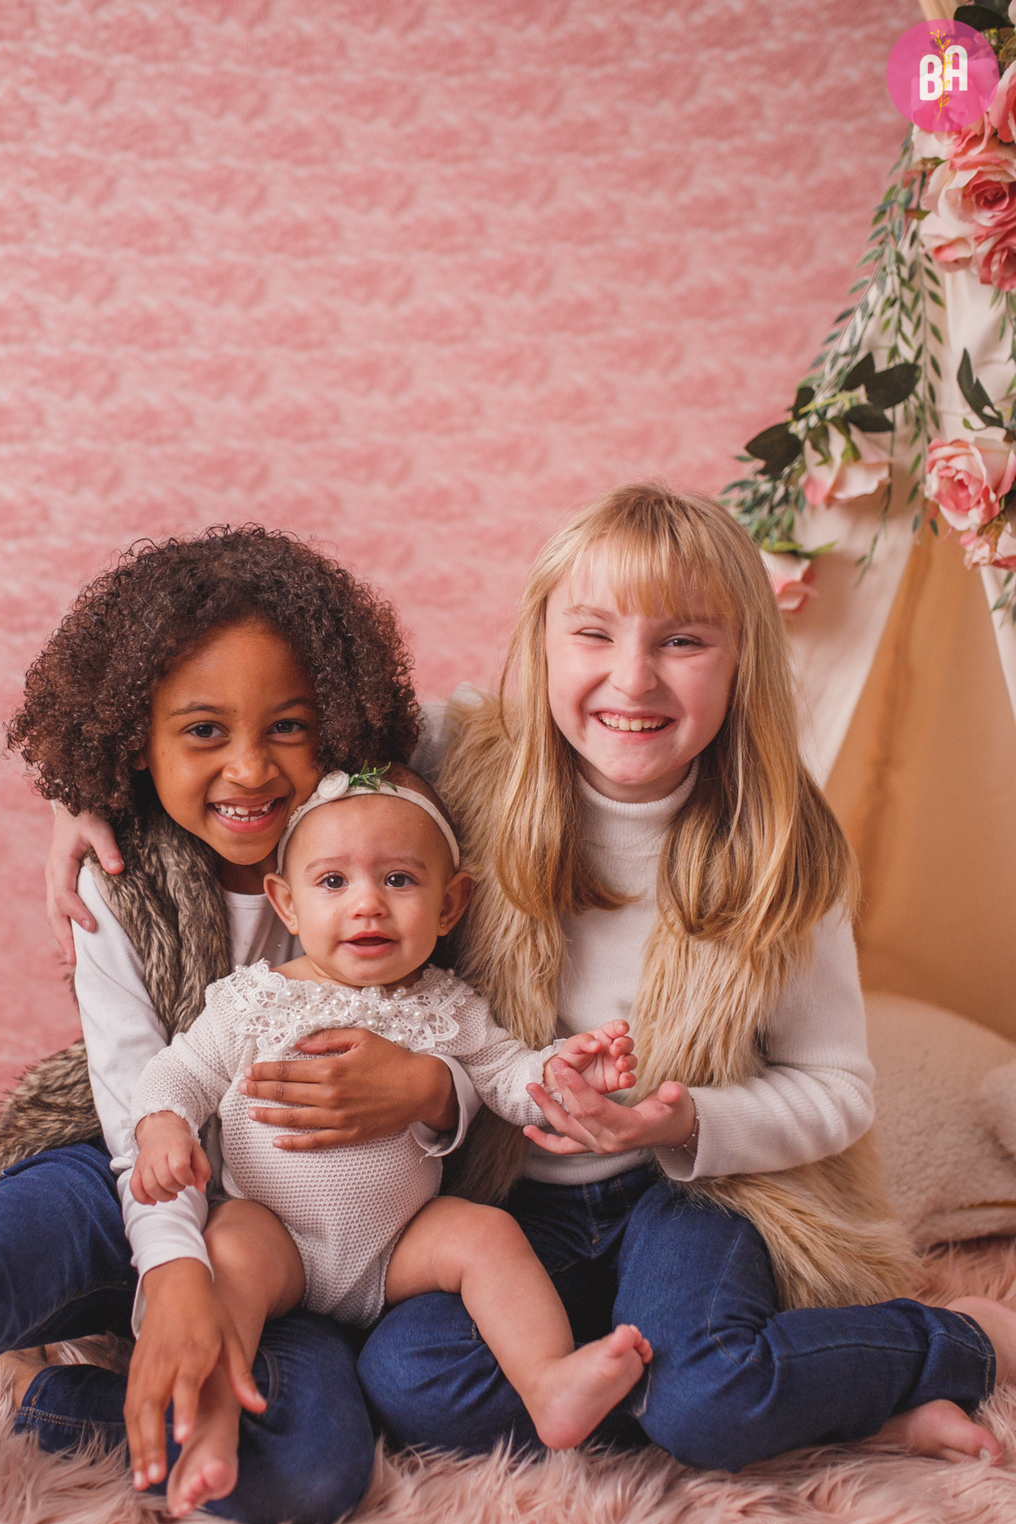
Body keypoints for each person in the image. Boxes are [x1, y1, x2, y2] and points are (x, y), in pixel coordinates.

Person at [51, 485, 1016, 1472]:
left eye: (683, 642)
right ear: (543, 644)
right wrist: (92, 798)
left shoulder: (782, 850)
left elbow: (838, 1092)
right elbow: (294, 751)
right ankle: (782, 1395)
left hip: (688, 1196)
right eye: (593, 634)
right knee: (410, 1381)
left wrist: (678, 1121)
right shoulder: (467, 758)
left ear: (743, 658)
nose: (632, 679)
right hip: (523, 1203)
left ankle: (954, 1343)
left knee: (705, 1397)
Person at [0, 526, 479, 1524]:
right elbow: (136, 1107)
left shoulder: (386, 833)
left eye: (291, 726)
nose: (250, 767)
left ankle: (53, 1399)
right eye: (203, 730)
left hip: (293, 1243)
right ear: (137, 741)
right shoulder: (117, 884)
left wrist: (434, 1090)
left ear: (343, 726)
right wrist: (172, 1269)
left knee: (310, 1475)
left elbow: (471, 722)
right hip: (121, 1168)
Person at [125, 763, 652, 1513]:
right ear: (287, 902)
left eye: (399, 880)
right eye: (333, 882)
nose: (367, 903)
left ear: (450, 904)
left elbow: (507, 1078)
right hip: (278, 1233)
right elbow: (179, 1072)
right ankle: (210, 1426)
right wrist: (164, 1129)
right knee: (229, 1255)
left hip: (397, 1245)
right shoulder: (256, 1001)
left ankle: (548, 1384)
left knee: (487, 1234)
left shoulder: (447, 1006)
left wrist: (562, 1071)